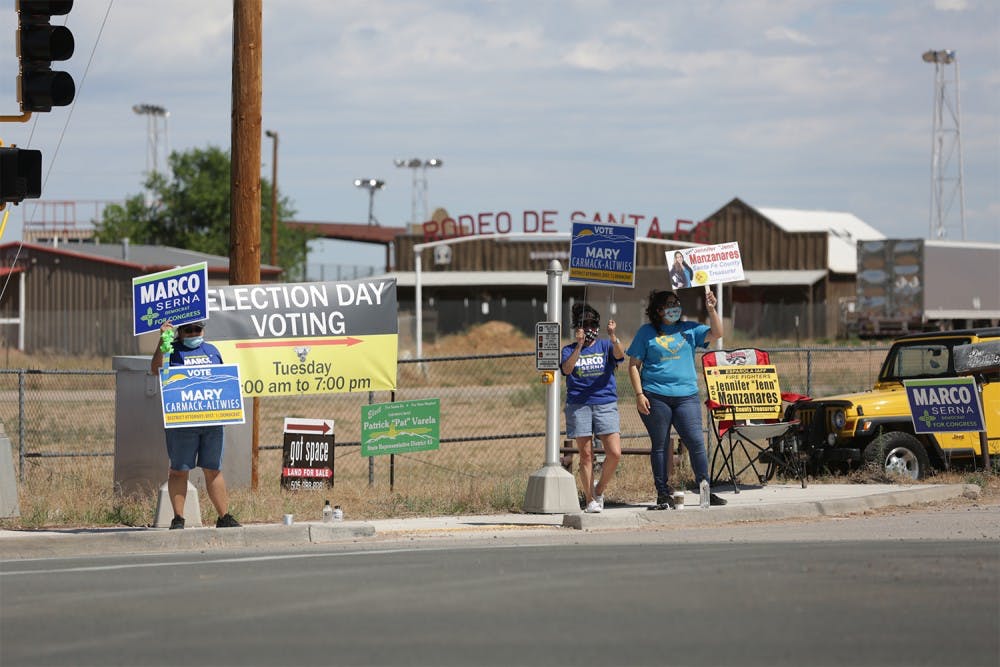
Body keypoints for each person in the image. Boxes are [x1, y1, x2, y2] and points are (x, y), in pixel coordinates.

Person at [626, 289, 728, 508]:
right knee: (660, 445)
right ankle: (663, 494)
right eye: (669, 304)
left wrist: (712, 309)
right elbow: (633, 365)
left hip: (686, 397)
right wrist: (639, 394)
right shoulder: (646, 332)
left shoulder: (689, 329)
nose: (674, 307)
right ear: (659, 310)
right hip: (655, 396)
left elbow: (717, 333)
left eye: (677, 303)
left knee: (696, 442)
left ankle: (705, 490)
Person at [151, 320, 241, 529]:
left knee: (213, 469)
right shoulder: (170, 350)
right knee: (179, 470)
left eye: (197, 329)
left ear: (203, 330)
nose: (193, 334)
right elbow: (155, 369)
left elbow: (223, 379)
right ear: (179, 332)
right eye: (187, 330)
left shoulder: (212, 351)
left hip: (212, 422)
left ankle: (224, 517)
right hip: (182, 423)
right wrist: (161, 341)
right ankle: (179, 518)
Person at [560, 303, 625, 513]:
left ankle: (599, 488)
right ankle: (589, 500)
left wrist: (613, 336)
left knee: (614, 453)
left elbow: (620, 355)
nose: (588, 329)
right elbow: (567, 369)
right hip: (579, 405)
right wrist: (579, 346)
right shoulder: (568, 349)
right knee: (586, 454)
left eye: (592, 324)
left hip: (605, 402)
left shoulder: (606, 345)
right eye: (583, 325)